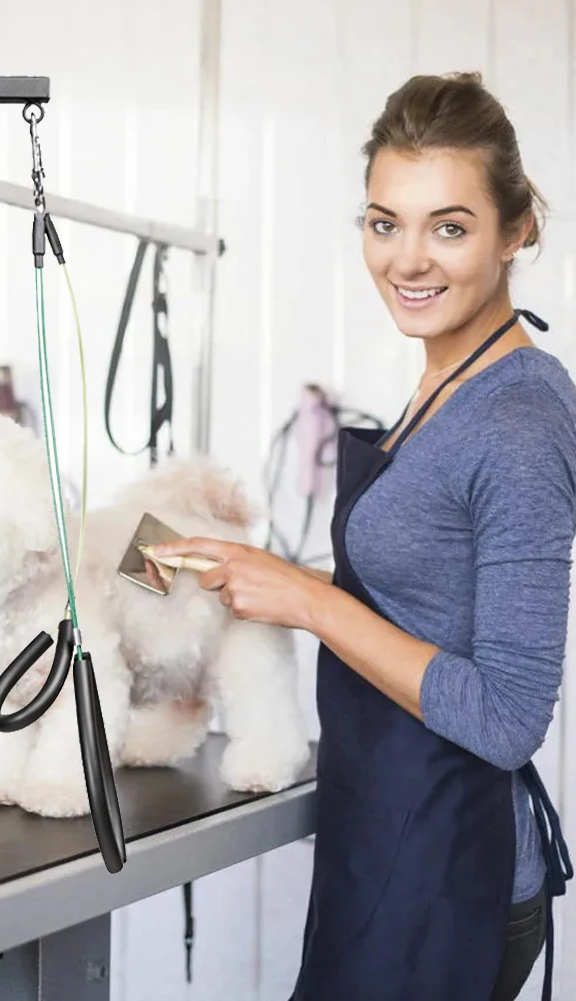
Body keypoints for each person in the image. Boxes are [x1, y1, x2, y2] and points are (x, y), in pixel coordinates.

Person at [152, 71, 575, 1001]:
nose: (406, 260)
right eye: (384, 223)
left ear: (515, 231)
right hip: (388, 834)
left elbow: (506, 718)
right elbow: (429, 586)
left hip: (453, 872)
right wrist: (260, 570)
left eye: (448, 228)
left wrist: (308, 602)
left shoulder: (516, 420)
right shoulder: (445, 381)